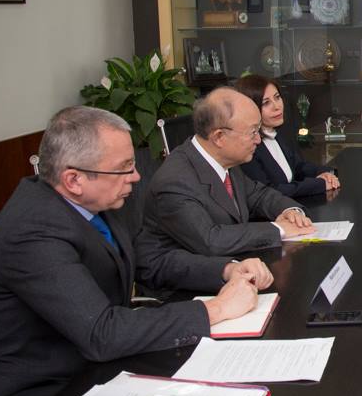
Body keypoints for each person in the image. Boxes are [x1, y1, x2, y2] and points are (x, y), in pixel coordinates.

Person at [0, 107, 270, 396]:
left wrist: (226, 269)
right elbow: (102, 334)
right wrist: (216, 309)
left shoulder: (93, 201)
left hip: (92, 369)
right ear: (74, 179)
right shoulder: (33, 231)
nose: (136, 176)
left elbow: (149, 261)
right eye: (124, 168)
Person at [135, 87, 316, 291]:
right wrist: (279, 229)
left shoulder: (223, 160)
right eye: (253, 132)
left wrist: (291, 212)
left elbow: (258, 194)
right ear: (219, 137)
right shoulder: (175, 181)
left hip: (232, 269)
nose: (258, 139)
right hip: (180, 291)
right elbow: (211, 240)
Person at [235, 74, 340, 198]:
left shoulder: (278, 132)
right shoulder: (248, 148)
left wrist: (327, 174)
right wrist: (319, 184)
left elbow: (299, 166)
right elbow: (269, 192)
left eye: (277, 97)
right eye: (266, 103)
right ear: (250, 109)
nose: (277, 106)